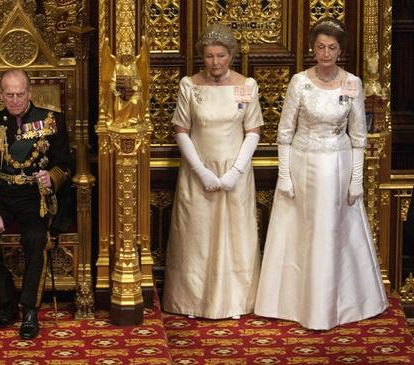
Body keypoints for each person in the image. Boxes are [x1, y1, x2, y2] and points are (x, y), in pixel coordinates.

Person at [254, 17, 388, 330]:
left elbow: (358, 136)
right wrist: (284, 174)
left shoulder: (352, 83)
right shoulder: (299, 82)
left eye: (332, 48)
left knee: (332, 232)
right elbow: (285, 132)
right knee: (300, 231)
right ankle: (293, 303)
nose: (325, 53)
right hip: (302, 165)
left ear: (340, 50)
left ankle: (332, 305)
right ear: (313, 49)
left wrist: (356, 179)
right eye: (320, 47)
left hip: (338, 167)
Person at [162, 24, 263, 319]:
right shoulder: (189, 86)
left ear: (230, 55)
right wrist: (201, 171)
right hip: (198, 172)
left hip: (236, 173)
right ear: (202, 57)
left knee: (235, 236)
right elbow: (181, 129)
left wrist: (235, 171)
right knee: (196, 237)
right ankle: (192, 301)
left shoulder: (247, 86)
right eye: (209, 56)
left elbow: (253, 131)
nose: (215, 62)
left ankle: (234, 302)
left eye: (221, 55)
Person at [0, 69, 71, 339]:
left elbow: (66, 166)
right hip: (0, 194)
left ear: (30, 92)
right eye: (9, 94)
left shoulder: (50, 120)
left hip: (34, 196)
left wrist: (51, 178)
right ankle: (7, 301)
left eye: (20, 94)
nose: (14, 100)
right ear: (1, 94)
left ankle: (29, 310)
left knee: (37, 237)